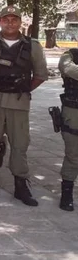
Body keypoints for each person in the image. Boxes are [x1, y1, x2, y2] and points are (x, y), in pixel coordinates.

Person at [0, 6, 48, 205]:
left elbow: (40, 75)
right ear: (0, 22)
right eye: (6, 19)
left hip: (19, 104)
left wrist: (22, 90)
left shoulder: (33, 46)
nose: (10, 23)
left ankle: (21, 186)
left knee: (20, 145)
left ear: (21, 22)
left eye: (14, 19)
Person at [56, 49, 78, 211]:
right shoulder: (69, 55)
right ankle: (67, 193)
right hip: (74, 111)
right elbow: (68, 68)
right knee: (73, 154)